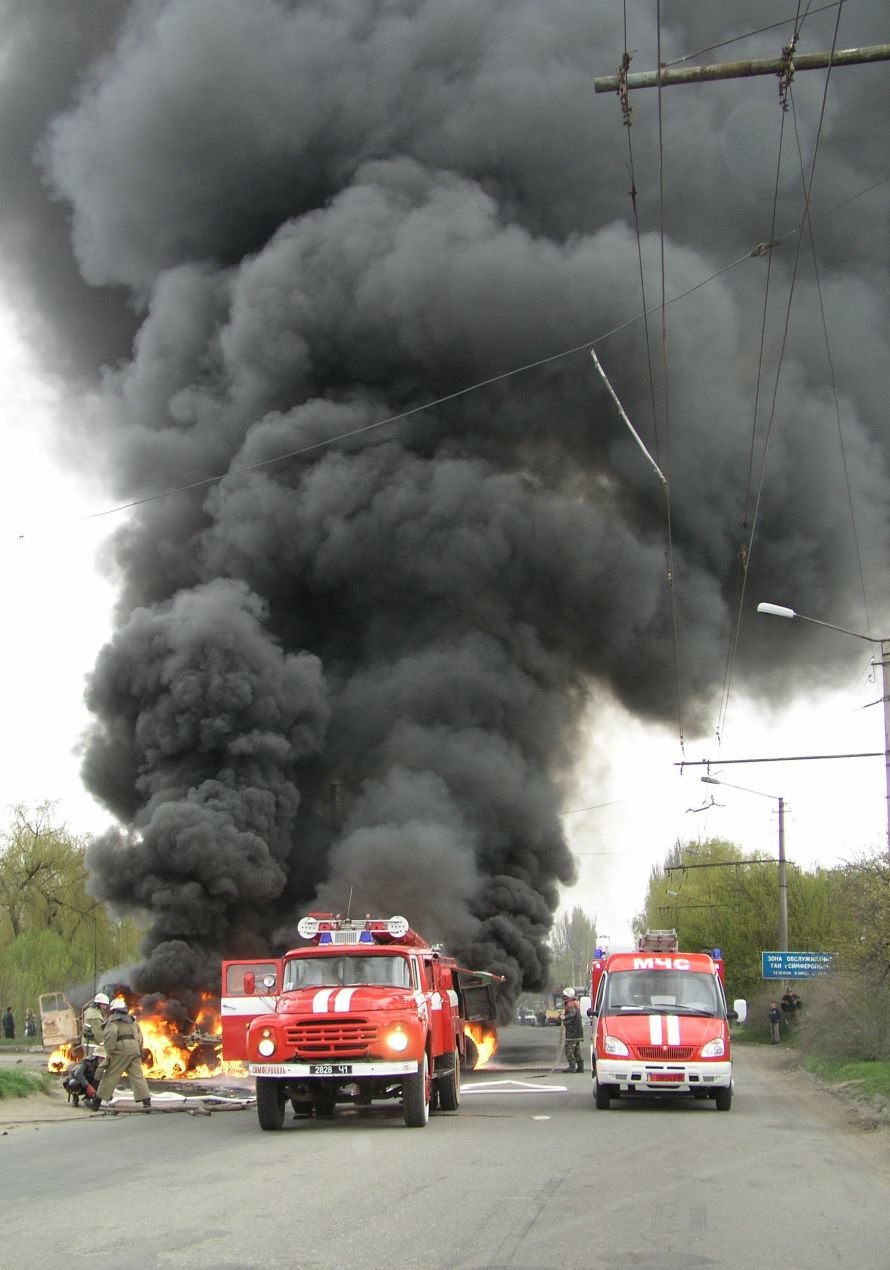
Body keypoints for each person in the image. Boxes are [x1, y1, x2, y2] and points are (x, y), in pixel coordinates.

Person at [87, 997, 152, 1112]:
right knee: (138, 1077)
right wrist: (139, 1050)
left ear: (113, 1010)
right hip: (135, 1050)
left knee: (110, 1076)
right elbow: (140, 1037)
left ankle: (96, 1103)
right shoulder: (132, 1021)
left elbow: (110, 1037)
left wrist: (110, 1052)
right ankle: (147, 1103)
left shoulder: (113, 1022)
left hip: (120, 1050)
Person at [562, 989, 585, 1073]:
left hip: (572, 1032)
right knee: (576, 1050)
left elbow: (572, 1015)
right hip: (577, 1031)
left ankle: (572, 1066)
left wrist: (564, 1018)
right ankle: (580, 1067)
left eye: (564, 996)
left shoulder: (570, 1004)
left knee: (569, 1049)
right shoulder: (575, 1003)